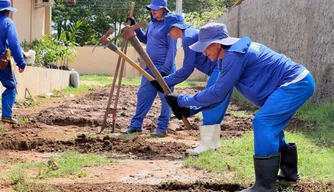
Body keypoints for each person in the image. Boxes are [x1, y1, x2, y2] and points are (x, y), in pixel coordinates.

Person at [165, 23, 315, 191]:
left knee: (264, 122)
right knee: (271, 125)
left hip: (295, 83)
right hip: (292, 84)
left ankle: (264, 187)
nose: (203, 52)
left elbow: (216, 92)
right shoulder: (226, 57)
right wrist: (192, 110)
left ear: (218, 43)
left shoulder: (234, 55)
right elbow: (220, 96)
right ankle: (289, 174)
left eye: (205, 47)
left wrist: (182, 100)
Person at [151, 13, 231, 155]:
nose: (168, 34)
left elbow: (187, 68)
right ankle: (212, 145)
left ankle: (206, 146)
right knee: (215, 104)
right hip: (221, 68)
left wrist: (165, 81)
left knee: (210, 102)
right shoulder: (190, 34)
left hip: (219, 69)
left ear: (176, 27)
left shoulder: (187, 38)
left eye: (169, 30)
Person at [122, 0, 177, 137]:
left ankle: (162, 128)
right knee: (143, 95)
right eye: (152, 9)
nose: (153, 11)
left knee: (166, 99)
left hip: (165, 68)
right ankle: (136, 126)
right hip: (149, 67)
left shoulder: (169, 26)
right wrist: (136, 27)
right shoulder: (152, 25)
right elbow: (146, 40)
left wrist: (166, 70)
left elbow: (172, 50)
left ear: (164, 9)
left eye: (156, 9)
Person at [0, 0, 26, 124]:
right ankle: (6, 115)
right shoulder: (8, 23)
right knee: (11, 86)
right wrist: (21, 62)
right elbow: (14, 44)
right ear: (7, 10)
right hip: (1, 62)